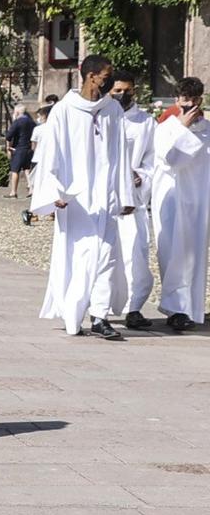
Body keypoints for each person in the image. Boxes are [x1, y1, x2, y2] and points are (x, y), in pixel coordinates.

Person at [33, 55, 137, 339]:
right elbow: (49, 153)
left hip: (106, 196)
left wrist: (125, 193)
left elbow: (120, 154)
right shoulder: (64, 111)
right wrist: (54, 191)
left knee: (107, 255)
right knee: (82, 256)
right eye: (106, 77)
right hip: (76, 199)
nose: (110, 82)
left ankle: (100, 316)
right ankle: (73, 313)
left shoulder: (112, 111)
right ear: (91, 76)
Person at [151, 76, 210, 331]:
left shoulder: (208, 129)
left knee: (195, 255)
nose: (191, 105)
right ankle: (175, 309)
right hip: (172, 200)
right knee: (173, 253)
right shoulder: (166, 128)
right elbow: (172, 159)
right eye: (186, 99)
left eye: (195, 100)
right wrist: (183, 128)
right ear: (177, 100)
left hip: (199, 200)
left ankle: (192, 308)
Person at [109, 72, 160, 330]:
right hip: (106, 201)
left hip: (133, 201)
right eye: (117, 90)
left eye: (127, 91)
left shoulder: (146, 123)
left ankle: (134, 308)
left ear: (134, 92)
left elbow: (153, 161)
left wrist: (140, 176)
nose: (122, 95)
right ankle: (100, 307)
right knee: (106, 255)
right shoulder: (102, 119)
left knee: (135, 254)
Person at [5, 102, 37, 202]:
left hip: (19, 148)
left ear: (17, 112)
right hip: (29, 149)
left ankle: (13, 192)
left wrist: (9, 147)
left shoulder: (17, 122)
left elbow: (9, 136)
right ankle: (31, 189)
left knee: (15, 170)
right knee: (27, 169)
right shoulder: (32, 122)